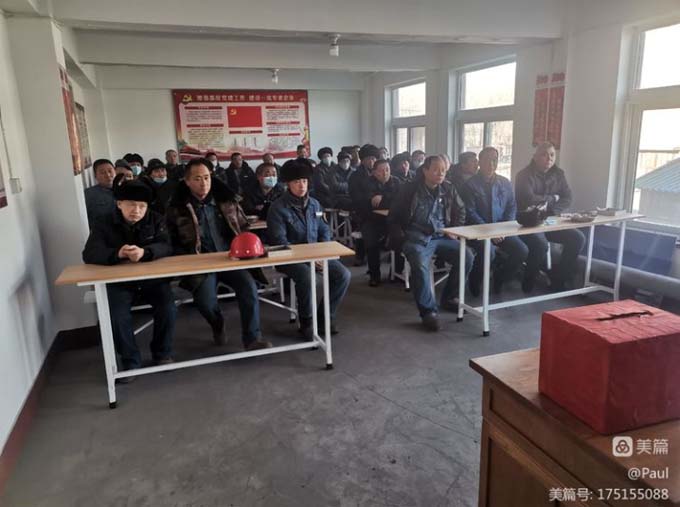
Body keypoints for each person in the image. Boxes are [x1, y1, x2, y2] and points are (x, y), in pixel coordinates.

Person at [166, 158, 272, 351]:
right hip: (200, 263)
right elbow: (171, 240)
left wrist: (248, 247)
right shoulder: (177, 207)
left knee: (249, 288)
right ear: (187, 181)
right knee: (205, 302)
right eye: (197, 178)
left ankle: (253, 338)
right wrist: (186, 258)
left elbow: (243, 227)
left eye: (207, 177)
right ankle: (217, 324)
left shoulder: (226, 200)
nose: (204, 183)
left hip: (230, 257)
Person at [82, 178, 176, 379]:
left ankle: (162, 353)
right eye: (131, 205)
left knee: (168, 307)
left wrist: (146, 252)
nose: (137, 210)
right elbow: (90, 253)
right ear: (119, 204)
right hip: (120, 282)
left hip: (152, 279)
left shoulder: (156, 219)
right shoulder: (103, 222)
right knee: (117, 315)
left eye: (142, 206)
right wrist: (118, 253)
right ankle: (130, 360)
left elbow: (167, 246)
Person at [267, 160, 351, 339]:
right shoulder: (277, 208)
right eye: (297, 182)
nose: (302, 186)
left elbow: (324, 230)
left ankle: (325, 315)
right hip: (288, 258)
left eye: (304, 181)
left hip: (316, 255)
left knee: (343, 275)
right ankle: (306, 320)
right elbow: (279, 241)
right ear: (288, 184)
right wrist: (309, 258)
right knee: (306, 276)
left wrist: (322, 253)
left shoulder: (315, 204)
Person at [389, 155, 473, 332]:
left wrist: (454, 230)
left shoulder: (448, 188)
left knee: (466, 255)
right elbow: (393, 216)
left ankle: (449, 297)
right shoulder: (409, 189)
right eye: (436, 170)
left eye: (443, 170)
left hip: (442, 235)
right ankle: (428, 312)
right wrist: (401, 238)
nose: (440, 173)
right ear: (425, 170)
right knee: (420, 264)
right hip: (416, 236)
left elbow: (461, 209)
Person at [515, 142, 586, 292]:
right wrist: (553, 197)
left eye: (552, 155)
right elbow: (528, 199)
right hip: (529, 222)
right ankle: (529, 281)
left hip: (551, 220)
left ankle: (558, 279)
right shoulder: (523, 175)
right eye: (544, 155)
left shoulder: (558, 174)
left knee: (578, 238)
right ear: (535, 157)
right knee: (540, 245)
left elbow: (567, 197)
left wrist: (552, 209)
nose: (549, 158)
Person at [464, 147, 529, 295]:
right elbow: (470, 212)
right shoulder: (469, 185)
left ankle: (501, 277)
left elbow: (512, 206)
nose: (491, 164)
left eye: (494, 160)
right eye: (487, 160)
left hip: (501, 231)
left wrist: (504, 229)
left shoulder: (505, 183)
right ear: (479, 162)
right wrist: (490, 232)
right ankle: (475, 279)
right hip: (477, 231)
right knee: (489, 252)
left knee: (521, 250)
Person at [357, 159, 401, 286]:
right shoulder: (367, 183)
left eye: (387, 169)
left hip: (392, 219)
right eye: (381, 171)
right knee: (371, 242)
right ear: (374, 172)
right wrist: (387, 200)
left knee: (400, 237)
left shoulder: (397, 182)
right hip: (371, 219)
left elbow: (399, 201)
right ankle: (374, 275)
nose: (385, 173)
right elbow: (373, 204)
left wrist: (383, 197)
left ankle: (396, 272)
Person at [348, 144, 380, 265]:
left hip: (378, 209)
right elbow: (355, 196)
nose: (372, 161)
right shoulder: (355, 176)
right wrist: (370, 200)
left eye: (374, 159)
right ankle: (360, 255)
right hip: (362, 209)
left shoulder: (379, 173)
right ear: (363, 160)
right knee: (366, 225)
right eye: (369, 159)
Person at [85, 158, 116, 226]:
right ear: (95, 176)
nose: (108, 175)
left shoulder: (124, 190)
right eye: (102, 172)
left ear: (115, 172)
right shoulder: (89, 194)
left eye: (110, 171)